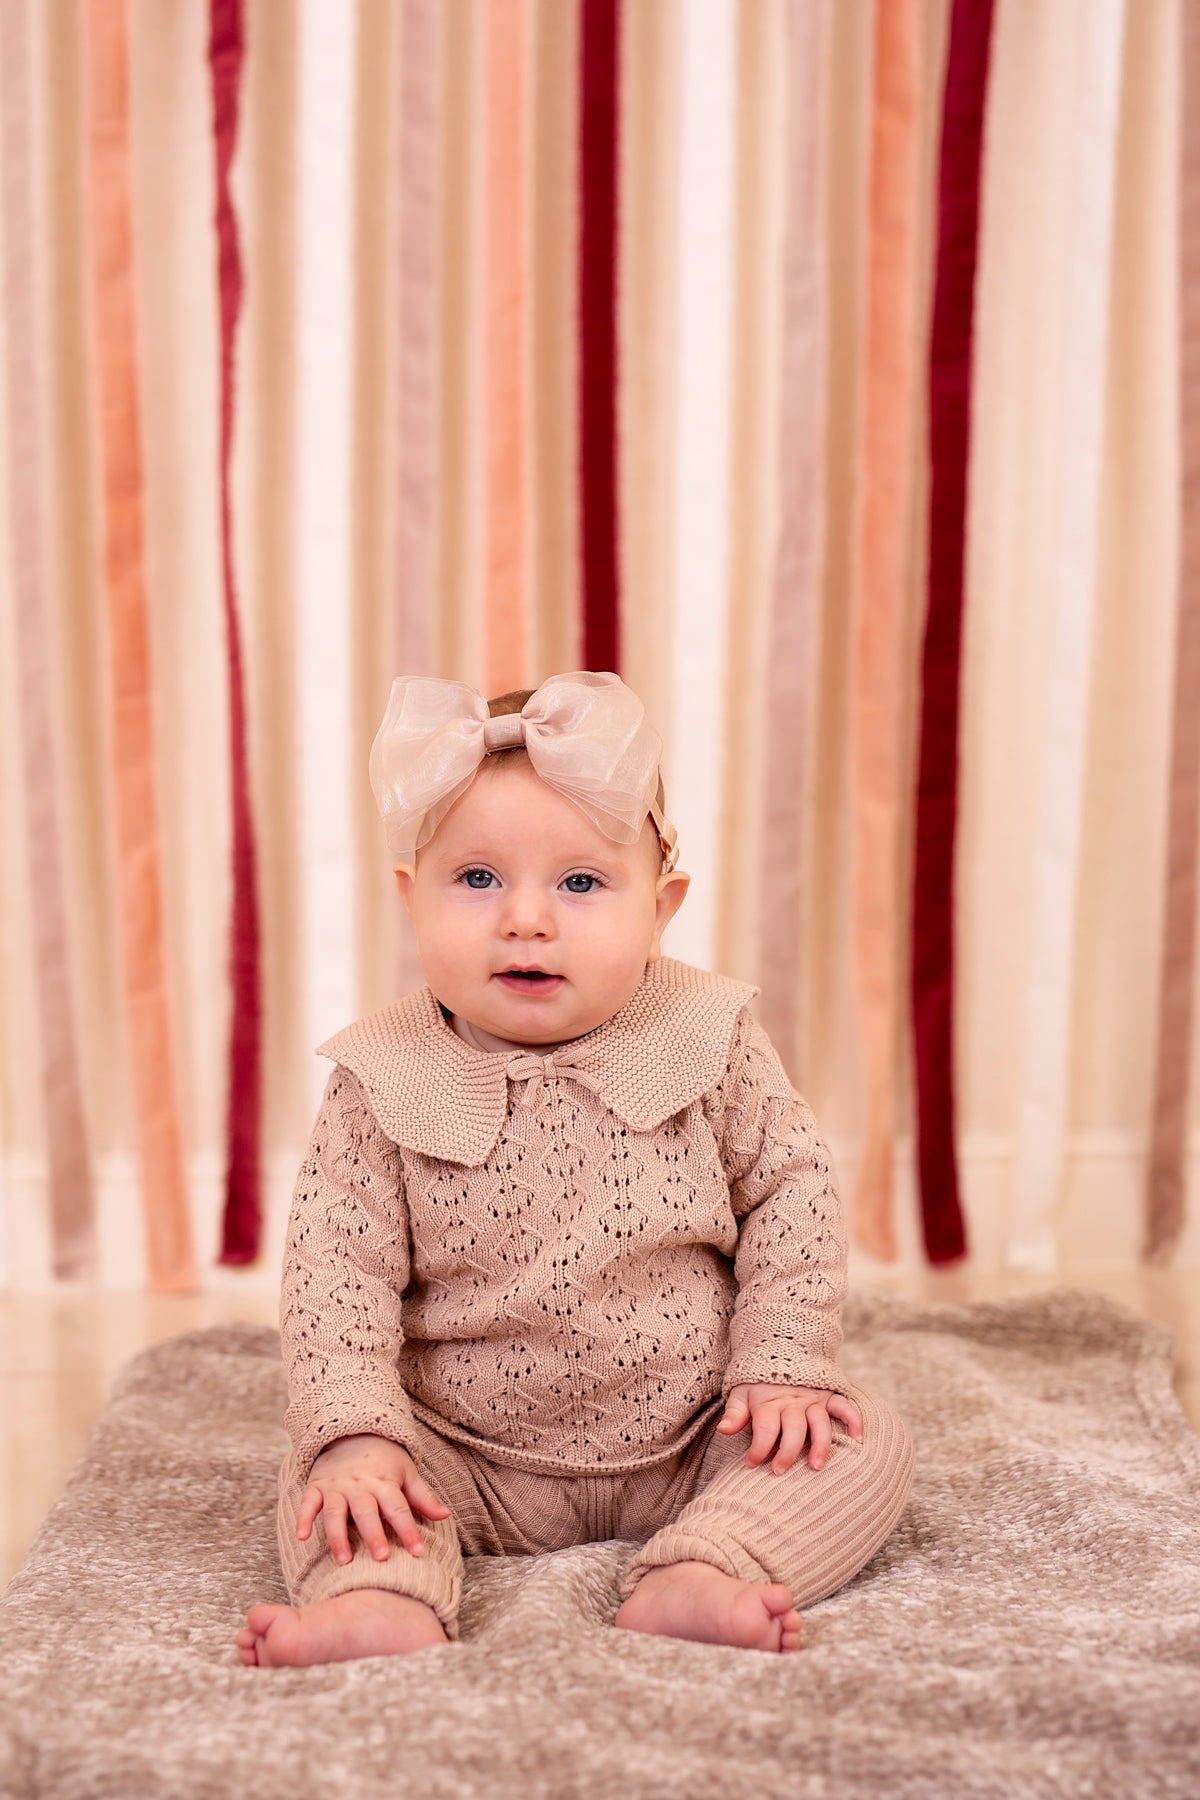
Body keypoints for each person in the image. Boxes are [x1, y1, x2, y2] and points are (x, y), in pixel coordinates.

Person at [235, 671, 913, 1669]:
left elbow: (793, 1194)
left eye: (581, 884)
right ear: (411, 898)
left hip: (698, 1434)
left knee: (857, 1438)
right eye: (477, 879)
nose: (526, 919)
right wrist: (358, 1434)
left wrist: (780, 1364)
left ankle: (709, 1564)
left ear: (661, 908)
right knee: (332, 1479)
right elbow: (335, 1271)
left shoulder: (709, 1034)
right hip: (464, 1456)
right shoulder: (381, 1075)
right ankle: (381, 1597)